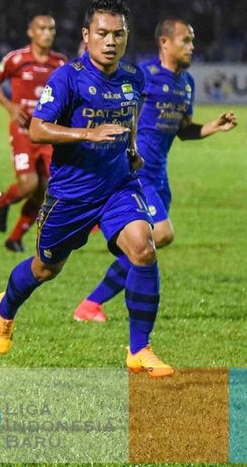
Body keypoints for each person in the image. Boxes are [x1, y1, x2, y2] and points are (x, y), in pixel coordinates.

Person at [0, 0, 175, 378]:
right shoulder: (68, 76)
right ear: (87, 35)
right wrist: (87, 133)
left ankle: (139, 349)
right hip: (71, 194)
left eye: (118, 34)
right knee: (45, 268)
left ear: (126, 38)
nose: (110, 41)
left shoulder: (133, 78)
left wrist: (133, 148)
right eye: (102, 33)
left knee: (144, 247)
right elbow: (38, 128)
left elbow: (130, 116)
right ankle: (6, 307)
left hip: (118, 185)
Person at [73, 18, 238, 322]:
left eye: (192, 41)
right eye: (186, 40)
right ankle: (91, 303)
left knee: (144, 247)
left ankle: (90, 306)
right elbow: (121, 115)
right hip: (136, 173)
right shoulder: (142, 76)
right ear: (165, 43)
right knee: (161, 235)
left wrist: (212, 127)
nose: (192, 47)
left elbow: (184, 130)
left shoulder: (186, 83)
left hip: (160, 177)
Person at [0, 15, 68, 252]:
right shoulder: (17, 59)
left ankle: (14, 239)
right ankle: (4, 200)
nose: (48, 33)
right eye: (42, 29)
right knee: (29, 184)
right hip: (23, 131)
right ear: (31, 32)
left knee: (44, 190)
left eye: (51, 29)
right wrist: (11, 107)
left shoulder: (61, 64)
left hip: (46, 133)